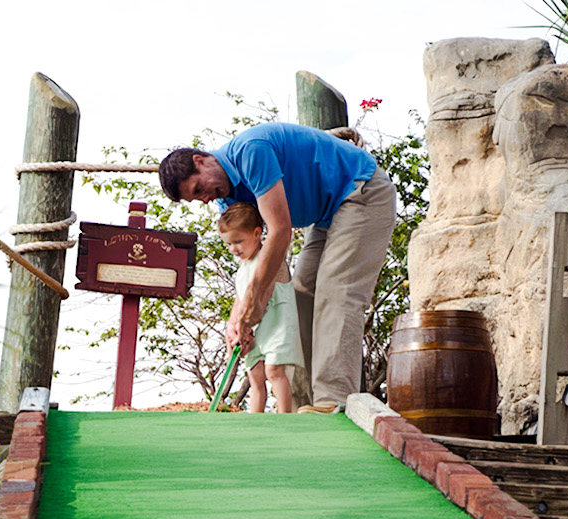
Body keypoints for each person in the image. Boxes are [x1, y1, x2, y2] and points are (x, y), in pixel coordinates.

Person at [159, 122, 397, 413]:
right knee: (301, 293)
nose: (205, 198)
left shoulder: (250, 151)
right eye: (195, 198)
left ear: (201, 160)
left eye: (199, 188)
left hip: (360, 190)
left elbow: (280, 230)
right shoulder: (227, 202)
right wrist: (239, 322)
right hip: (325, 217)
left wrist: (253, 303)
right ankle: (305, 403)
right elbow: (258, 265)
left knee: (337, 292)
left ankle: (334, 400)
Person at [218, 202, 299, 413]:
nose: (233, 249)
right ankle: (255, 421)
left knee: (274, 371)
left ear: (257, 234)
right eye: (228, 244)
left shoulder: (270, 258)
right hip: (253, 330)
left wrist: (245, 325)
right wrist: (235, 326)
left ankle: (285, 418)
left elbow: (263, 295)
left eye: (238, 241)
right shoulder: (242, 268)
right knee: (255, 375)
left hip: (277, 324)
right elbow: (240, 299)